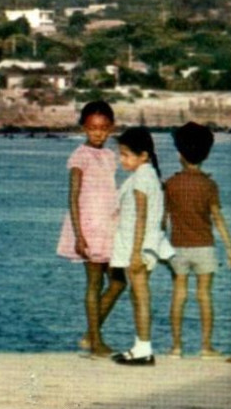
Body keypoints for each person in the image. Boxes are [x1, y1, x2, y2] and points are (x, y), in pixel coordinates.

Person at [56, 100, 126, 358]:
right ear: (84, 127)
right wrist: (79, 234)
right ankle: (96, 341)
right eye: (93, 128)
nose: (98, 133)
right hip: (88, 227)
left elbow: (109, 192)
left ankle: (91, 334)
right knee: (94, 283)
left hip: (109, 227)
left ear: (111, 129)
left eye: (104, 128)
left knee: (119, 283)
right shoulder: (79, 157)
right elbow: (73, 197)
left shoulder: (110, 156)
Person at [164, 122, 231, 359]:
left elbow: (162, 220)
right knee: (204, 295)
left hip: (177, 247)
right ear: (206, 153)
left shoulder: (171, 184)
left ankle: (176, 346)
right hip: (205, 247)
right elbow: (218, 218)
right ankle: (206, 346)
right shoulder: (209, 185)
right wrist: (230, 250)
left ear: (179, 154)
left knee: (179, 295)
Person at [111, 126, 170, 366]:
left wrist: (136, 252)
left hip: (138, 247)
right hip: (144, 244)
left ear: (143, 155)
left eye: (126, 154)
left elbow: (141, 216)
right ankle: (139, 346)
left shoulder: (142, 178)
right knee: (137, 297)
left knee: (141, 296)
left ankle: (144, 348)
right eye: (121, 154)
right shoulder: (148, 176)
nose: (121, 159)